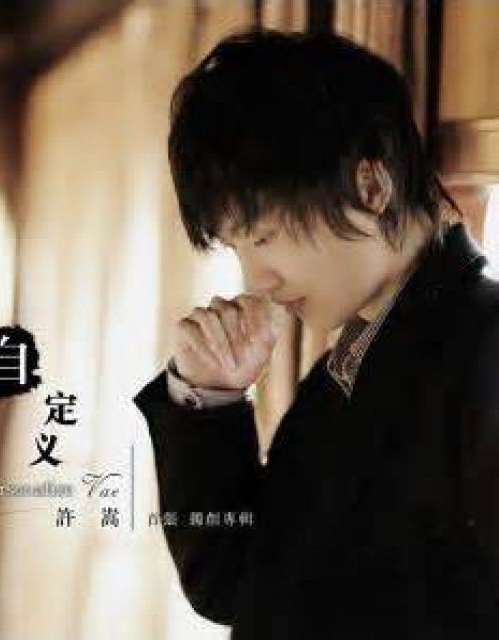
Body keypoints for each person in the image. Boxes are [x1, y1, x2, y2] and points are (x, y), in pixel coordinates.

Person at [133, 28, 499, 639]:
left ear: (370, 187)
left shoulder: (483, 347)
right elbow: (234, 583)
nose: (256, 279)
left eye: (264, 237)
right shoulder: (343, 369)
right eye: (237, 248)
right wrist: (211, 397)